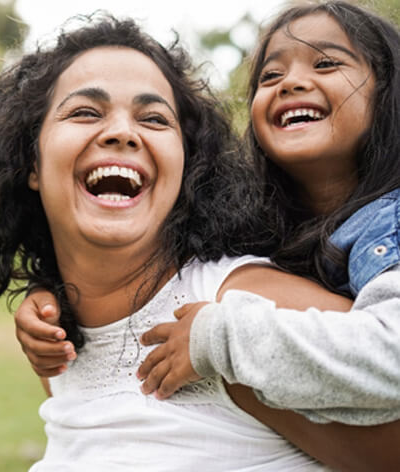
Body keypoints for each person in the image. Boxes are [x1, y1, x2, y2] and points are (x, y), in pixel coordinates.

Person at [0, 13, 400, 471]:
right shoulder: (58, 339)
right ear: (31, 163)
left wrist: (224, 341)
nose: (122, 133)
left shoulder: (240, 312)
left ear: (185, 167)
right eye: (86, 111)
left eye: (153, 119)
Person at [135, 0, 400, 425]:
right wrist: (52, 301)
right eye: (270, 75)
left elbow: (391, 359)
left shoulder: (393, 223)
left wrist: (219, 341)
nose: (291, 82)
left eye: (327, 63)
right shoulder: (257, 221)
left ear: (387, 91)